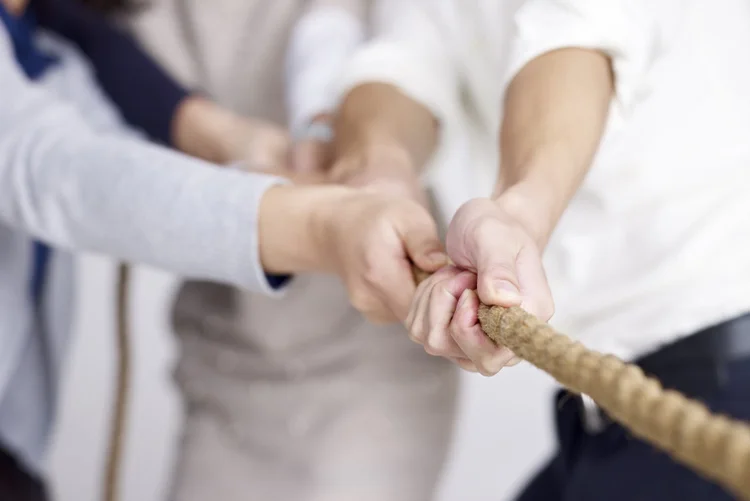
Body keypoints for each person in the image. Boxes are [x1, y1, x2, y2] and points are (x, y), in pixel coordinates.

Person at [0, 0, 447, 499]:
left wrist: (297, 144)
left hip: (361, 362)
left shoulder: (51, 49)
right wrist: (320, 224)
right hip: (229, 346)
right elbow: (63, 171)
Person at [331, 0, 750, 499]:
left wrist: (517, 215)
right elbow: (399, 63)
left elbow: (576, 36)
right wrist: (380, 176)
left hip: (720, 383)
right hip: (608, 411)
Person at [127, 2, 460, 500]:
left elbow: (399, 50)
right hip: (226, 346)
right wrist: (214, 134)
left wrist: (340, 140)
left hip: (363, 361)